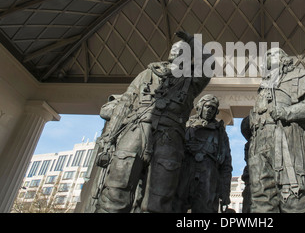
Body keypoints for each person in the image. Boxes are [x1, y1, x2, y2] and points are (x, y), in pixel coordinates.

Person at [94, 31, 213, 213]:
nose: (176, 50)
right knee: (115, 191)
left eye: (182, 49)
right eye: (174, 48)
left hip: (169, 137)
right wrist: (108, 138)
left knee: (159, 200)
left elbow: (209, 63)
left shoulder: (192, 79)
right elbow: (124, 104)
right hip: (135, 131)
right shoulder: (146, 74)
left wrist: (191, 40)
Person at [247, 47, 305, 213]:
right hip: (260, 149)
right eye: (266, 57)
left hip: (289, 146)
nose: (268, 59)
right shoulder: (264, 87)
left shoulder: (300, 77)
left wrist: (287, 112)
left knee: (295, 200)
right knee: (260, 203)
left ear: (284, 59)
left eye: (273, 55)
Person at [174, 94, 232, 213]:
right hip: (184, 173)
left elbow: (226, 164)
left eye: (213, 109)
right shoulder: (185, 126)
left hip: (208, 176)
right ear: (200, 107)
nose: (210, 110)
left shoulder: (220, 133)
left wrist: (225, 191)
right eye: (207, 106)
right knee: (176, 207)